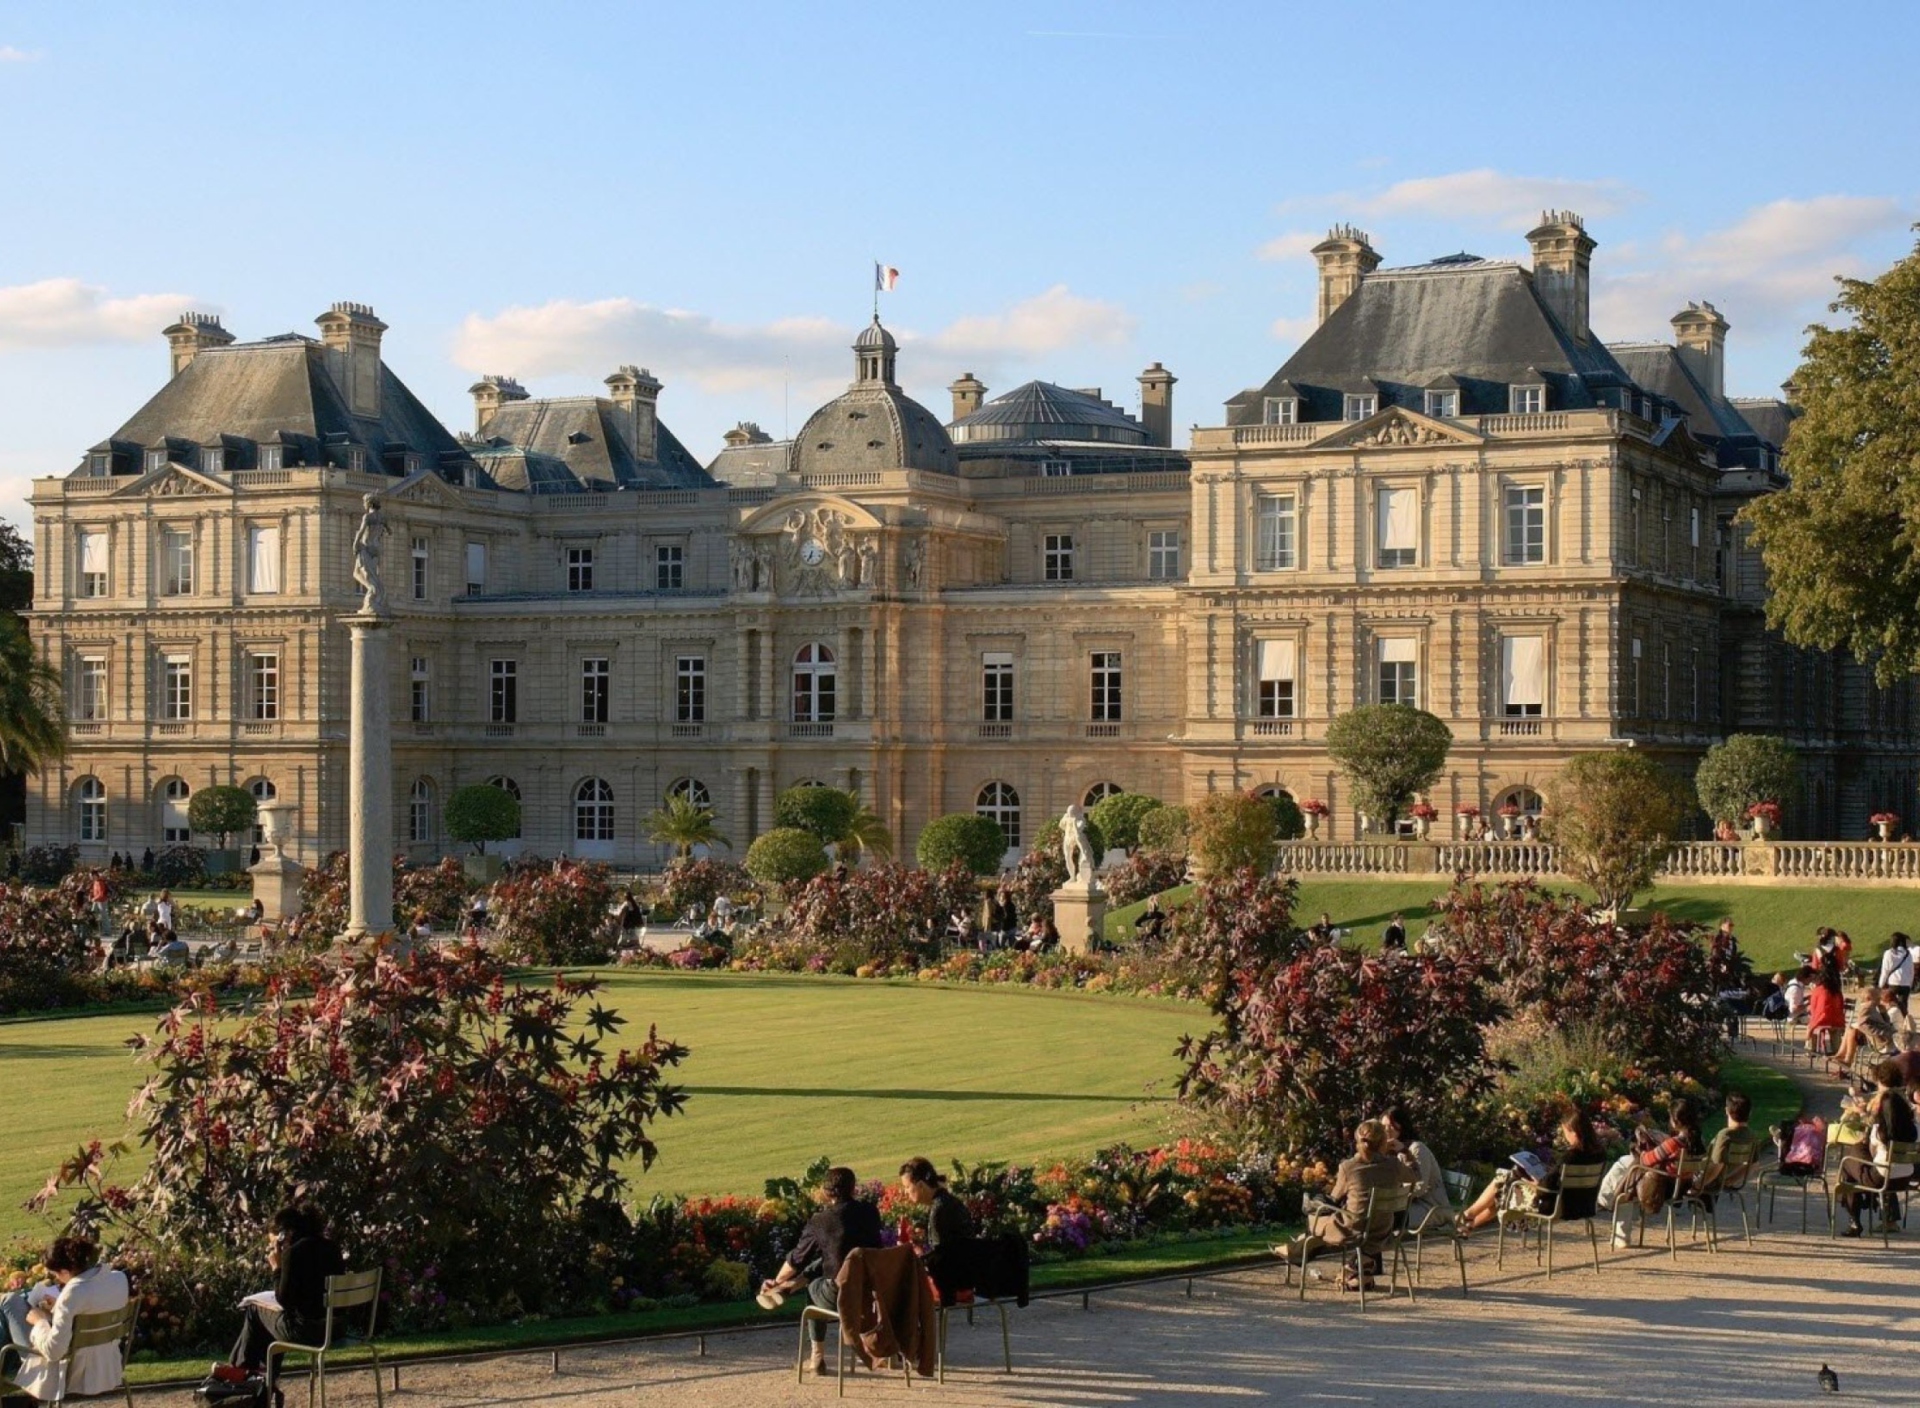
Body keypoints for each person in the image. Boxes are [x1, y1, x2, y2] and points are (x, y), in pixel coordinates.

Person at [758, 1167, 882, 1377]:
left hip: (842, 1294)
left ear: (826, 1193)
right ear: (853, 1189)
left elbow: (797, 1258)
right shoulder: (871, 1212)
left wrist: (777, 1279)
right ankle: (789, 1285)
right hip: (873, 1290)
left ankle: (817, 1357)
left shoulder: (821, 1221)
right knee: (824, 1263)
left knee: (813, 1288)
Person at [0, 1235, 130, 1401]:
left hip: (69, 1372)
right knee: (11, 1303)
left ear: (65, 1271)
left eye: (56, 1274)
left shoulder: (73, 1292)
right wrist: (58, 1309)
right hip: (108, 1367)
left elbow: (53, 1352)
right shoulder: (118, 1279)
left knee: (9, 1302)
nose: (57, 1279)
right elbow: (93, 1306)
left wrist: (39, 1321)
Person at [1277, 1120, 1405, 1289]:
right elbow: (1415, 1176)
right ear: (1384, 1142)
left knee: (1316, 1215)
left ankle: (1296, 1251)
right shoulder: (1394, 1165)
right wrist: (1404, 1152)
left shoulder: (1349, 1167)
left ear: (1357, 1141)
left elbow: (1334, 1197)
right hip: (1382, 1229)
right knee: (1327, 1218)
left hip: (1352, 1229)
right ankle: (1354, 1268)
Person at [229, 1206, 345, 1375]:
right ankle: (253, 1375)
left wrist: (277, 1268)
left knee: (254, 1310)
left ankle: (241, 1374)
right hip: (336, 1328)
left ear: (284, 1235)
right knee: (269, 1323)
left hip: (307, 1332)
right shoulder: (332, 1248)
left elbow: (284, 1300)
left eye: (274, 1242)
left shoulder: (293, 1253)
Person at [1457, 1106, 1607, 1234]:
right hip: (1582, 1206)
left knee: (1504, 1181)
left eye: (1565, 1132)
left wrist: (1535, 1183)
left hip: (1554, 1207)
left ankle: (1467, 1215)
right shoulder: (1599, 1154)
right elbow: (1557, 1181)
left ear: (1573, 1132)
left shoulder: (1570, 1156)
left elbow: (1544, 1189)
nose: (1565, 1136)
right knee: (1504, 1189)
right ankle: (1469, 1224)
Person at [1600, 1098, 1704, 1247]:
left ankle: (1605, 1200)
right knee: (1626, 1168)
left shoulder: (1674, 1143)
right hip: (1682, 1185)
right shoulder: (1698, 1142)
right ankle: (1606, 1200)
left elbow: (1647, 1160)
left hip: (1663, 1187)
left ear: (1676, 1121)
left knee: (1628, 1173)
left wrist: (1640, 1151)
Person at [1837, 1061, 1918, 1236]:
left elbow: (1871, 1141)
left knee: (1849, 1160)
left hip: (1882, 1178)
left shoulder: (1880, 1128)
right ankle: (1880, 1214)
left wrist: (1861, 1113)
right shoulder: (1912, 1126)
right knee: (1861, 1157)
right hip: (1905, 1176)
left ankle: (1854, 1220)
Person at [898, 1157, 974, 1303]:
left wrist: (916, 1250)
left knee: (900, 1283)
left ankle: (916, 1325)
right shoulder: (952, 1202)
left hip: (951, 1286)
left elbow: (939, 1260)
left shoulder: (938, 1210)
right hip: (968, 1279)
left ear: (920, 1185)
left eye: (907, 1187)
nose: (905, 1192)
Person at [1381, 1105, 1446, 1228]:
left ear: (1402, 1126)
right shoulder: (1386, 1151)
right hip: (1403, 1204)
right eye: (1383, 1127)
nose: (1387, 1131)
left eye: (1391, 1126)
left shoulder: (1416, 1148)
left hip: (1428, 1207)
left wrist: (1393, 1198)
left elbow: (1419, 1187)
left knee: (1383, 1220)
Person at [1836, 987, 1902, 1069]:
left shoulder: (1873, 1008)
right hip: (1882, 1039)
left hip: (1884, 1042)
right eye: (1877, 996)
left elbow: (1882, 1025)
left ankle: (1846, 1059)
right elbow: (1864, 1025)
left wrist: (1883, 1013)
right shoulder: (1869, 1007)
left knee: (1852, 1030)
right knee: (1851, 1029)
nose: (1879, 997)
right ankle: (1842, 1056)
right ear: (1869, 998)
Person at [1807, 952, 1846, 1056]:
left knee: (1812, 1025)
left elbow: (1814, 1009)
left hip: (1822, 1019)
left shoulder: (1819, 990)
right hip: (1836, 1020)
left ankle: (1811, 1049)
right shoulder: (1837, 990)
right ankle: (1836, 1048)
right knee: (1834, 1029)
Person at [1881, 933, 1915, 1016]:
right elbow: (1911, 970)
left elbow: (1885, 970)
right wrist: (1909, 984)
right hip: (1905, 983)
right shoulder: (1908, 954)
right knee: (1903, 1005)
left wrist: (1881, 984)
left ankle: (1890, 1021)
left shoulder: (1889, 953)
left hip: (1893, 982)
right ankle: (1904, 1021)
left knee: (1889, 1003)